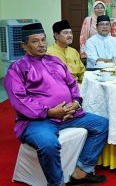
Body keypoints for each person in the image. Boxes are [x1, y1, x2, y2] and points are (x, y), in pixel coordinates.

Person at [3, 22, 109, 186]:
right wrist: (50, 112)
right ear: (24, 45)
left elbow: (72, 84)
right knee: (47, 144)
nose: (41, 44)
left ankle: (82, 171)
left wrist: (75, 102)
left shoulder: (55, 61)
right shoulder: (17, 68)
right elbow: (20, 101)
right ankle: (56, 183)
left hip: (69, 115)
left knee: (102, 125)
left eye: (43, 40)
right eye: (35, 41)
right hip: (38, 121)